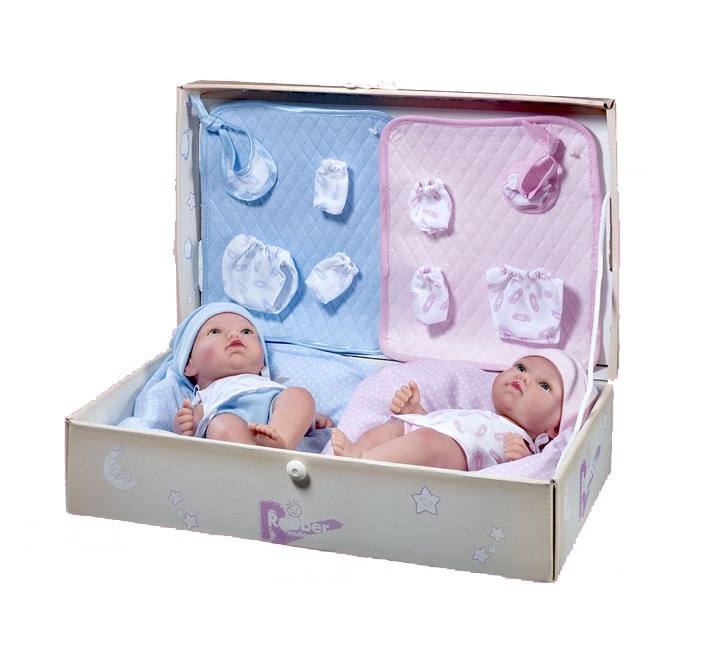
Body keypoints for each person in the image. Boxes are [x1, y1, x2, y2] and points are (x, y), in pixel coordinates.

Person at [331, 350, 591, 472]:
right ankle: (350, 458)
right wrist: (417, 412)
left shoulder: (527, 445)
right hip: (430, 432)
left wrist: (522, 457)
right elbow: (448, 424)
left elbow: (526, 474)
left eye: (544, 385)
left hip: (453, 453)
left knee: (427, 443)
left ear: (555, 427)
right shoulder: (480, 412)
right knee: (391, 429)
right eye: (521, 368)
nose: (524, 378)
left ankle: (362, 463)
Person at [172, 303, 332, 449]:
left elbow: (290, 411)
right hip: (232, 426)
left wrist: (310, 418)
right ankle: (251, 455)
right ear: (189, 364)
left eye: (246, 332)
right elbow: (195, 429)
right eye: (215, 331)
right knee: (222, 425)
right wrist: (186, 426)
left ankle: (281, 443)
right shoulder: (204, 398)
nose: (234, 335)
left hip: (276, 419)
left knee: (299, 395)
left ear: (262, 363)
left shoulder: (268, 386)